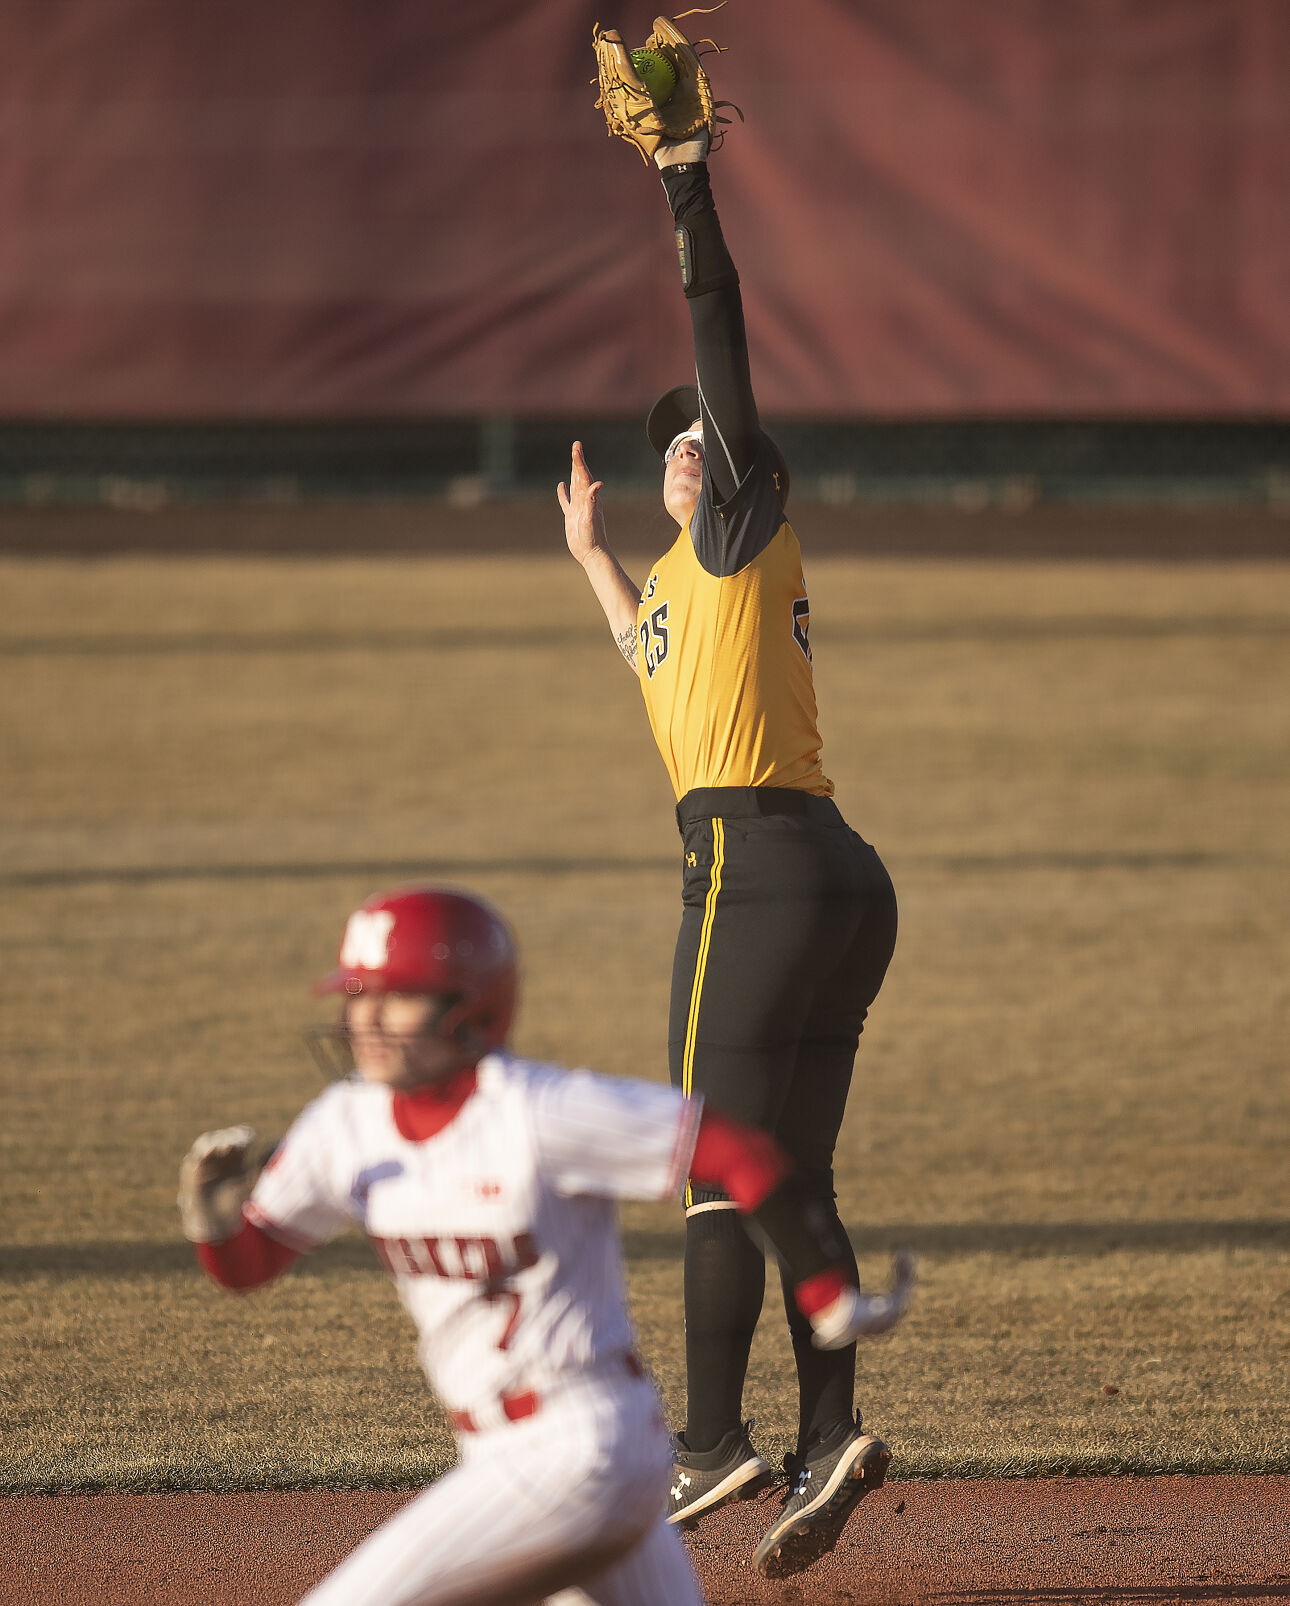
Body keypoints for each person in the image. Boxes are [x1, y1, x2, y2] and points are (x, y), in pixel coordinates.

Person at [557, 22, 906, 1581]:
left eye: (692, 439)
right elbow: (646, 655)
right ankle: (829, 1431)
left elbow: (719, 326)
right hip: (831, 876)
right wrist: (583, 552)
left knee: (708, 1153)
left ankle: (708, 1446)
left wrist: (685, 176)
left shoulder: (745, 519)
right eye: (671, 454)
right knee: (792, 1169)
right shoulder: (682, 602)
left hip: (756, 875)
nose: (682, 454)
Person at [178, 886, 909, 1605]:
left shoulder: (538, 1110)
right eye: (355, 994)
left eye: (391, 997)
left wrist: (821, 1288)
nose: (361, 1017)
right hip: (513, 1455)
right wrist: (212, 1222)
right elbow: (251, 1264)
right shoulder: (345, 1125)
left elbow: (734, 1149)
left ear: (470, 1007)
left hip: (581, 1448)